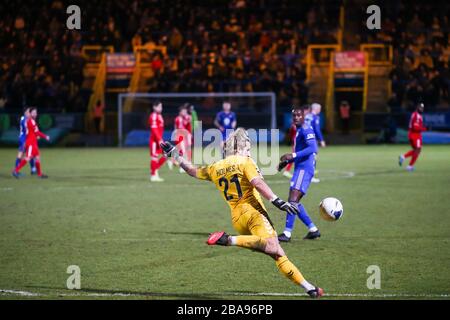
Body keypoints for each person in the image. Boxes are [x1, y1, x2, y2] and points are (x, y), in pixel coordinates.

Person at [160, 128, 323, 298]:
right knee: (274, 246)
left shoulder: (216, 167)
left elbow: (192, 171)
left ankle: (309, 288)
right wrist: (278, 201)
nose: (250, 151)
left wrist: (175, 155)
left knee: (277, 253)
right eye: (248, 147)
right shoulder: (245, 161)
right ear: (240, 145)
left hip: (237, 219)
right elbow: (258, 183)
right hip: (253, 213)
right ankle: (228, 240)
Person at [277, 105, 321, 242]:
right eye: (294, 115)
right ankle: (313, 230)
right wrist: (286, 162)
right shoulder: (298, 129)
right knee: (295, 201)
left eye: (299, 115)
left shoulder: (306, 129)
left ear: (304, 116)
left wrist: (293, 155)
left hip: (304, 169)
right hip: (300, 167)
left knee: (293, 199)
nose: (296, 117)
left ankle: (287, 233)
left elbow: (313, 148)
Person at [12, 107, 50, 179]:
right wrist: (45, 136)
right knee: (28, 158)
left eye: (36, 112)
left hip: (34, 143)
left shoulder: (31, 121)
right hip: (30, 143)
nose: (35, 114)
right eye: (34, 112)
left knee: (37, 158)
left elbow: (34, 132)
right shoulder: (30, 121)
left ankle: (39, 174)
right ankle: (15, 170)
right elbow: (36, 132)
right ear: (30, 113)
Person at [399, 103, 427, 171]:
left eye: (422, 108)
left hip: (412, 134)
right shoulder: (417, 115)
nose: (422, 109)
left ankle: (403, 157)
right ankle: (409, 166)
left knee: (416, 150)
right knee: (418, 150)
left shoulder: (415, 114)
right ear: (417, 107)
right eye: (420, 107)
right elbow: (415, 127)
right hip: (415, 135)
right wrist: (424, 128)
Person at [149, 101, 167, 182]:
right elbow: (154, 129)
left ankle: (154, 170)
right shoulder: (153, 116)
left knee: (167, 155)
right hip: (154, 140)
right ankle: (153, 175)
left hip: (159, 139)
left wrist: (160, 139)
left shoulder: (159, 116)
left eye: (161, 106)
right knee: (154, 157)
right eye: (159, 106)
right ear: (154, 107)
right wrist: (159, 139)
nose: (161, 108)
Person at [14, 107, 36, 175]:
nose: (29, 113)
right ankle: (16, 170)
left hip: (25, 137)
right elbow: (27, 128)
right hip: (23, 138)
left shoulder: (26, 118)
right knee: (21, 154)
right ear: (25, 112)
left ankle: (33, 169)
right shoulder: (24, 119)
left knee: (30, 153)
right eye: (28, 112)